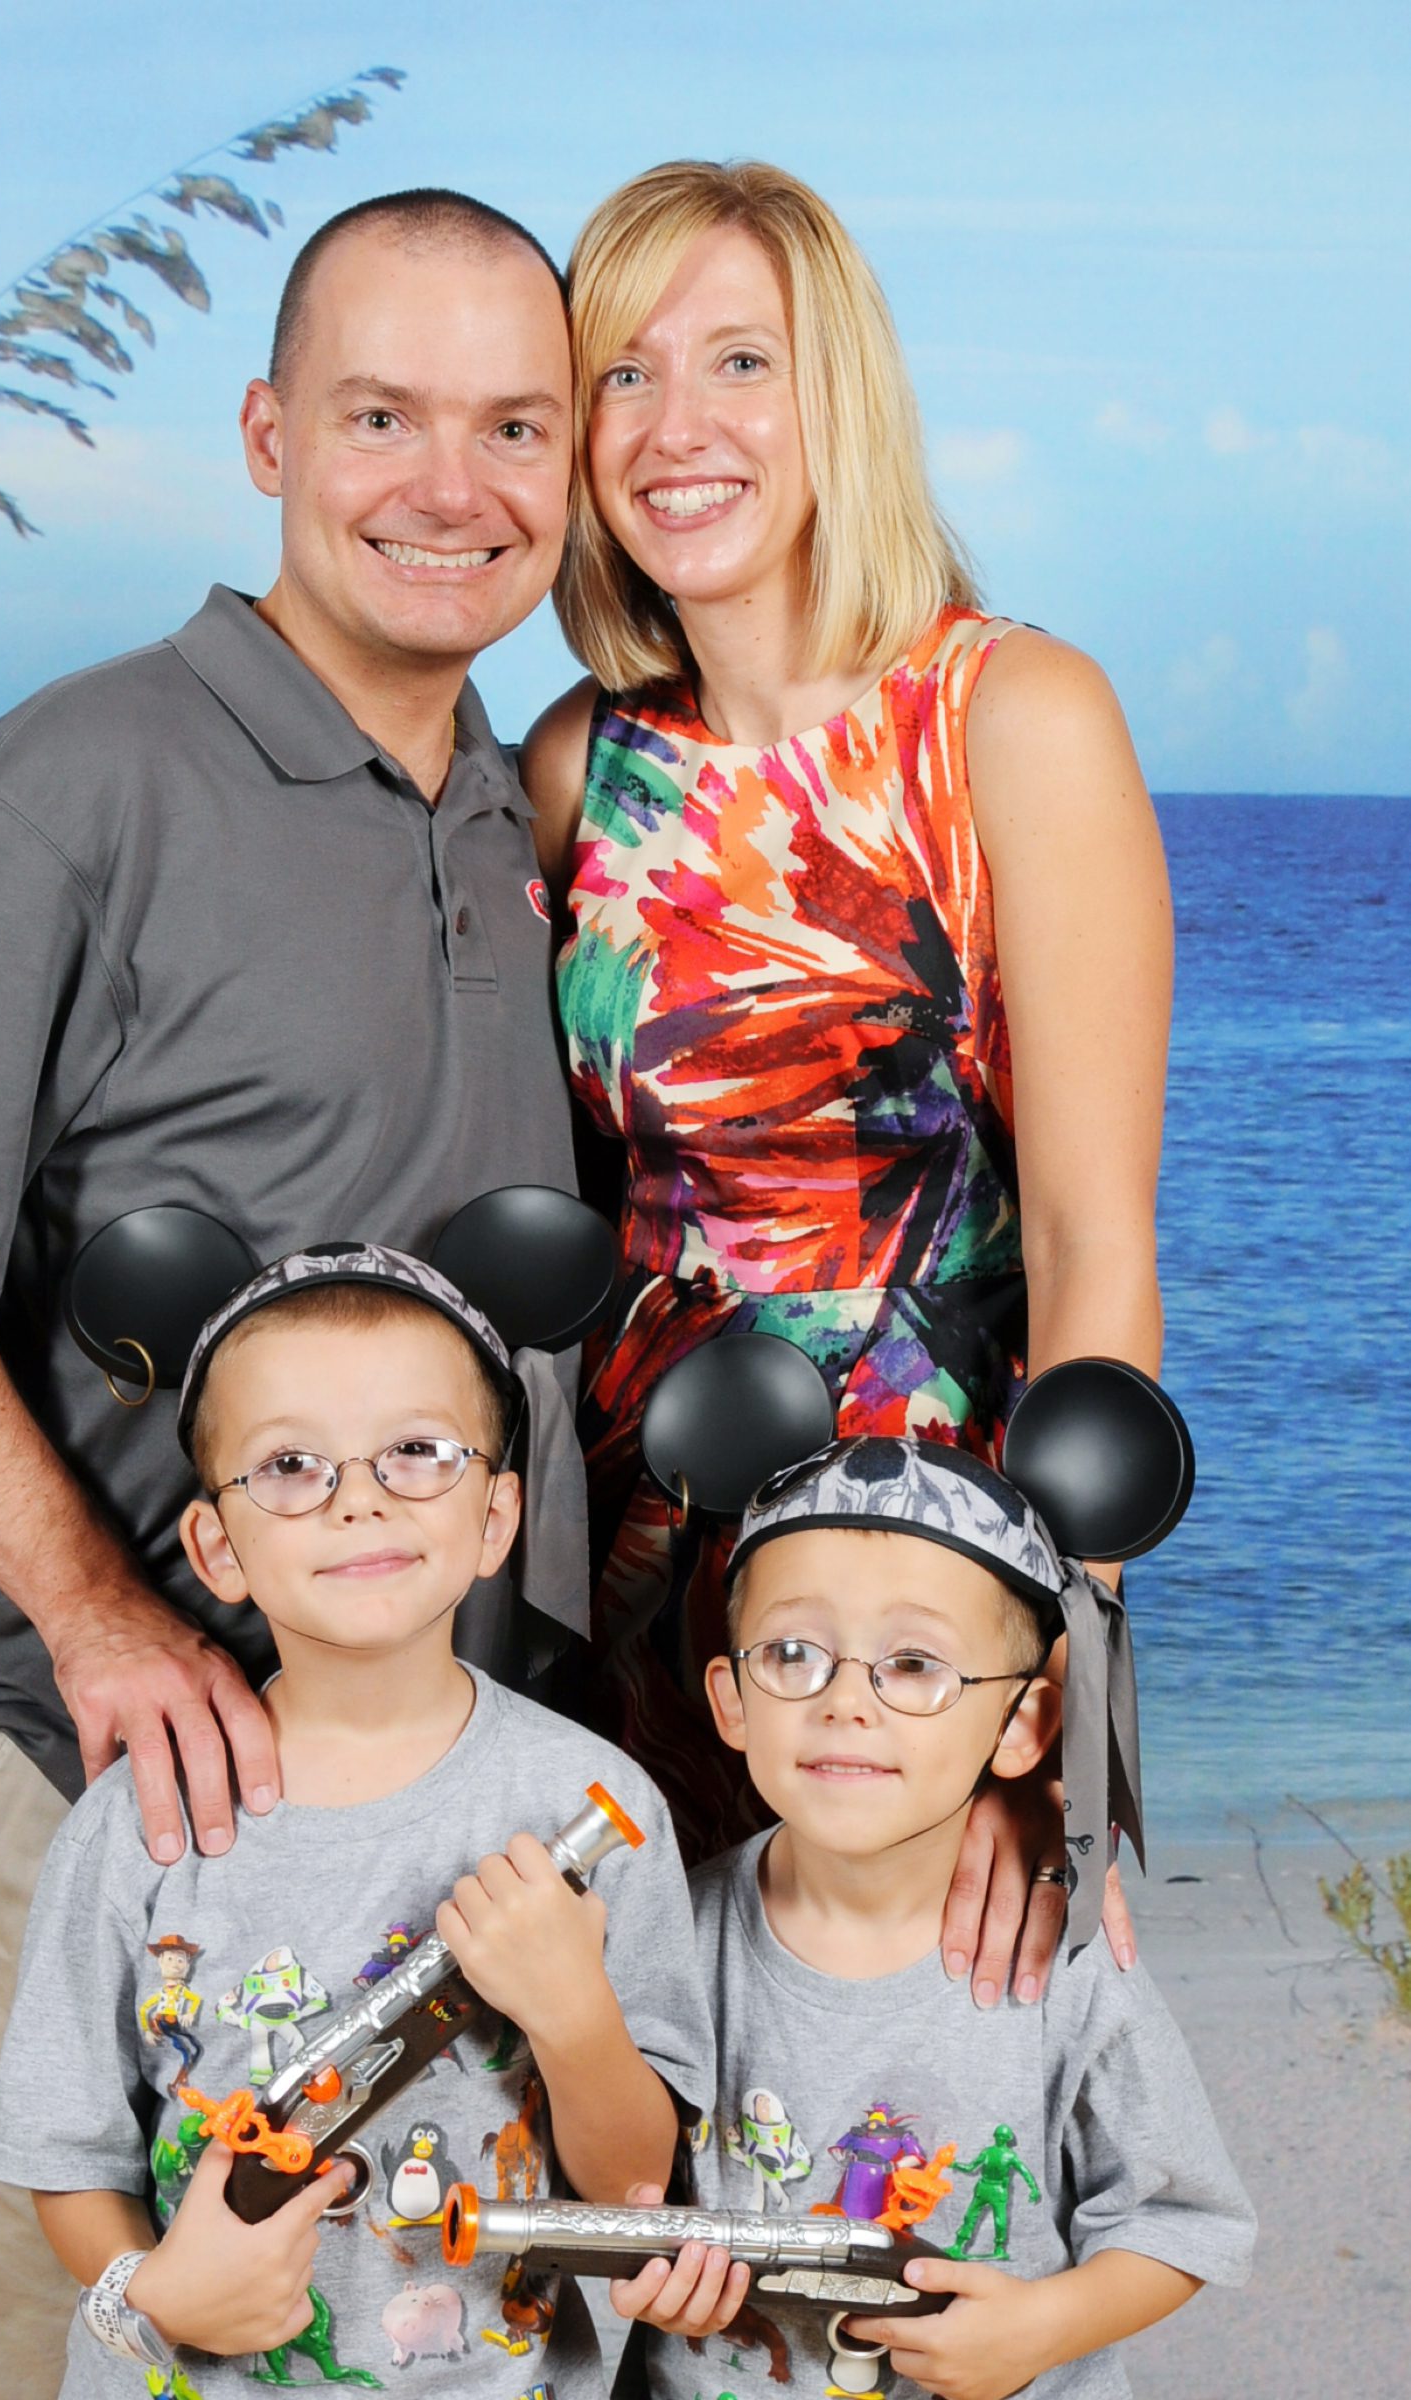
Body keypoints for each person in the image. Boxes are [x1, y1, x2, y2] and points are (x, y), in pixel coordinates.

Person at [0, 188, 584, 2400]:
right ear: (268, 434)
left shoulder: (512, 810)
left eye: (513, 426)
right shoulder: (80, 781)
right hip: (123, 1803)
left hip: (441, 1830)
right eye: (380, 416)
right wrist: (101, 1621)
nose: (450, 487)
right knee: (17, 2367)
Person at [522, 160, 1173, 1924]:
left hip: (928, 1594)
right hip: (643, 1566)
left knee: (932, 2068)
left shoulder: (1009, 718)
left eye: (740, 361)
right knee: (644, 2082)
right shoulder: (579, 762)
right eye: (622, 373)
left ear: (840, 399)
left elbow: (1090, 1246)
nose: (675, 426)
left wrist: (1051, 1673)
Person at [0, 1240, 714, 2400]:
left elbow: (633, 2195)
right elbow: (65, 2158)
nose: (357, 1497)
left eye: (416, 1452)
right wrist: (157, 2293)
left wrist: (572, 2011)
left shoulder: (598, 1807)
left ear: (496, 1518)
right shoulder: (139, 1824)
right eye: (289, 1465)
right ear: (217, 1546)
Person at [607, 1409, 1254, 2398]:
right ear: (731, 1700)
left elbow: (1182, 2221)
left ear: (1022, 1723)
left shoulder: (1061, 1962)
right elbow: (623, 2190)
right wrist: (656, 2279)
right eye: (792, 1653)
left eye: (913, 1665)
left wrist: (1043, 2327)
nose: (845, 1701)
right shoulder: (674, 1939)